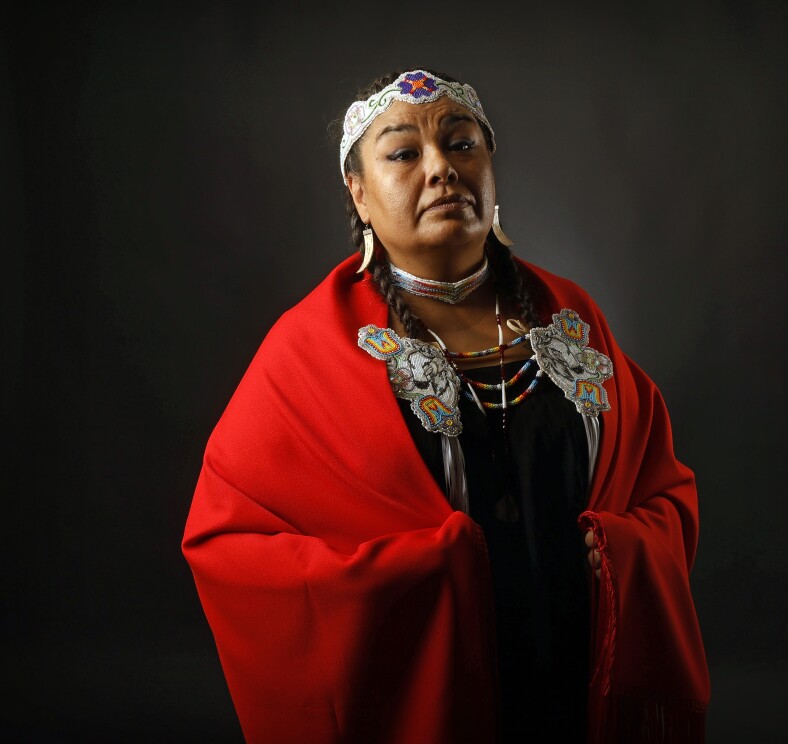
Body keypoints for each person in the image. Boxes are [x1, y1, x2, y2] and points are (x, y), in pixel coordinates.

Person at [182, 68, 711, 744]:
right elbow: (230, 545)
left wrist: (623, 553)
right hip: (432, 697)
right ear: (359, 193)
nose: (441, 168)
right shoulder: (309, 349)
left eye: (462, 145)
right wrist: (417, 574)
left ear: (490, 168)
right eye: (403, 153)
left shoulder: (570, 315)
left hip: (571, 679)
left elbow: (662, 490)